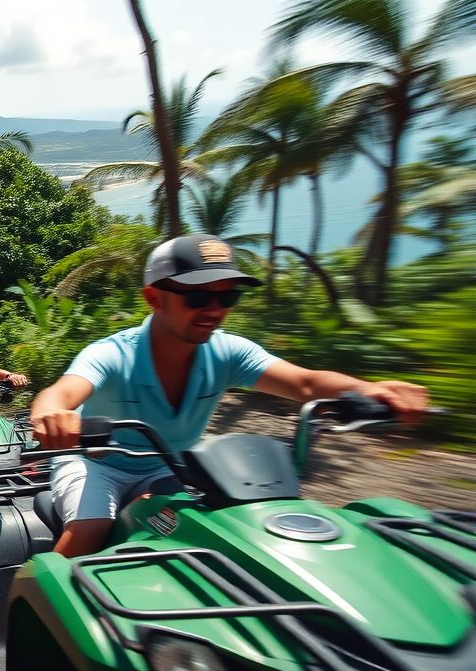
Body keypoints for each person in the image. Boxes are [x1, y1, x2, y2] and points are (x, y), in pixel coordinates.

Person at [30, 233, 430, 558]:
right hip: (97, 465)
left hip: (170, 467)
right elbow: (61, 393)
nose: (215, 309)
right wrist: (52, 414)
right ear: (154, 298)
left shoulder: (228, 351)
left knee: (230, 526)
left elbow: (305, 383)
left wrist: (368, 389)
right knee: (92, 528)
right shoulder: (113, 353)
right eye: (199, 297)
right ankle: (34, 598)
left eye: (228, 297)